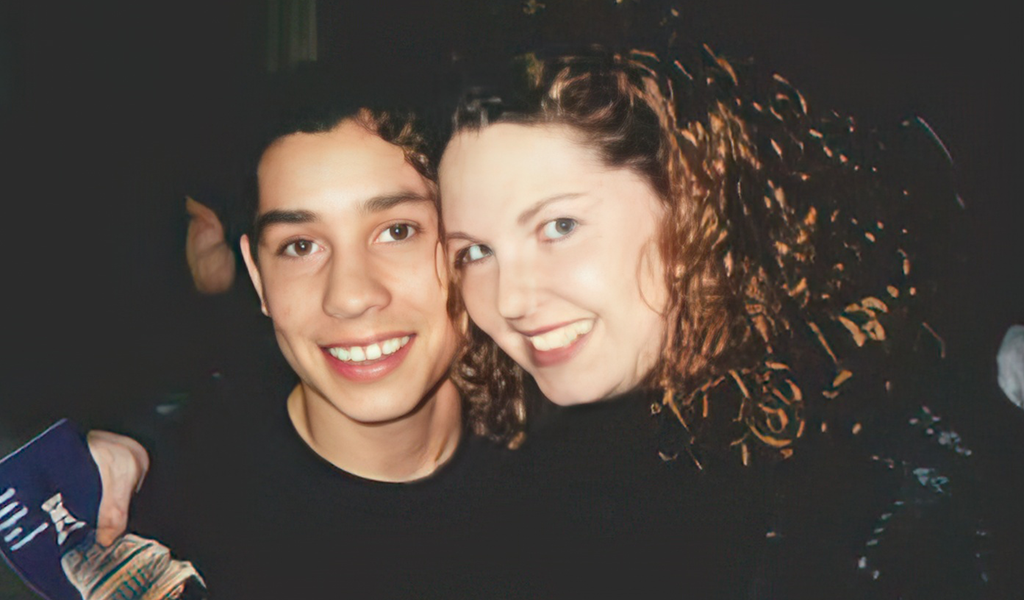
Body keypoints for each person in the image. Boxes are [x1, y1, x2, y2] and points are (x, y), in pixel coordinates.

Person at [438, 47, 1018, 598]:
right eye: (475, 252)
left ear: (689, 204)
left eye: (559, 226)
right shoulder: (525, 472)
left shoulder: (897, 484)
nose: (510, 299)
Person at [90, 93, 515, 598]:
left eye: (398, 231)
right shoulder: (156, 528)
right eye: (300, 246)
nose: (350, 296)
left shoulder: (574, 485)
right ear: (257, 274)